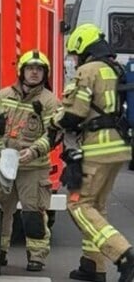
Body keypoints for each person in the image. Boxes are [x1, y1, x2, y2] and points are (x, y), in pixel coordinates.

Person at [56, 23, 134, 282]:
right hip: (119, 148)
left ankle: (124, 254)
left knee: (78, 204)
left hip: (97, 148)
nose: (75, 60)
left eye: (75, 54)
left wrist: (55, 120)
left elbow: (75, 113)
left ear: (82, 48)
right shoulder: (116, 68)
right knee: (97, 206)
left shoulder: (88, 71)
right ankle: (92, 265)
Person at [0, 49, 59, 272]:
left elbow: (54, 133)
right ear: (22, 71)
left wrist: (35, 151)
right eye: (30, 68)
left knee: (33, 212)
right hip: (4, 164)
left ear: (44, 74)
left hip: (33, 167)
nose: (34, 73)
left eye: (39, 69)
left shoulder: (49, 101)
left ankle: (36, 256)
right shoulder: (5, 95)